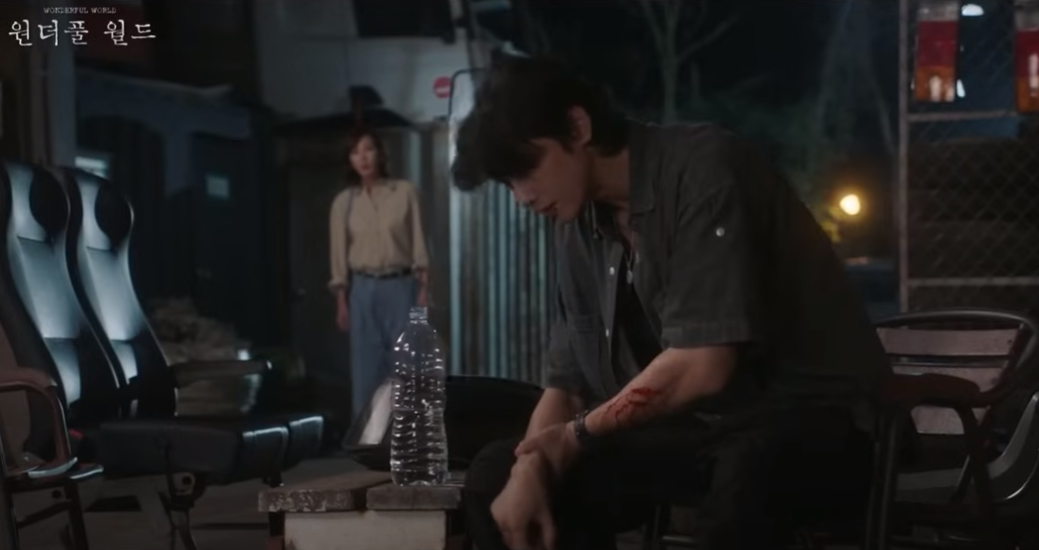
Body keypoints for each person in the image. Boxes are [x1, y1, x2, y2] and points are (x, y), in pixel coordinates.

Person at [451, 56, 892, 550]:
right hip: (697, 431)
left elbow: (704, 366)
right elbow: (568, 387)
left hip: (815, 420)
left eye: (525, 169)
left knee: (749, 466)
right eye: (508, 184)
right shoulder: (575, 223)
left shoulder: (704, 171)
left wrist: (571, 438)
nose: (521, 197)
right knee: (497, 474)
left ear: (577, 128)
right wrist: (532, 463)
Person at [329, 127, 430, 421]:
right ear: (349, 159)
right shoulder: (345, 202)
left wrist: (424, 290)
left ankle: (411, 435)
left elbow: (421, 243)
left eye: (368, 149)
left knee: (409, 367)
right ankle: (368, 439)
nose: (363, 158)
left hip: (401, 286)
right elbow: (338, 253)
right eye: (355, 152)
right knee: (366, 370)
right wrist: (341, 299)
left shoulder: (405, 193)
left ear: (380, 154)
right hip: (362, 289)